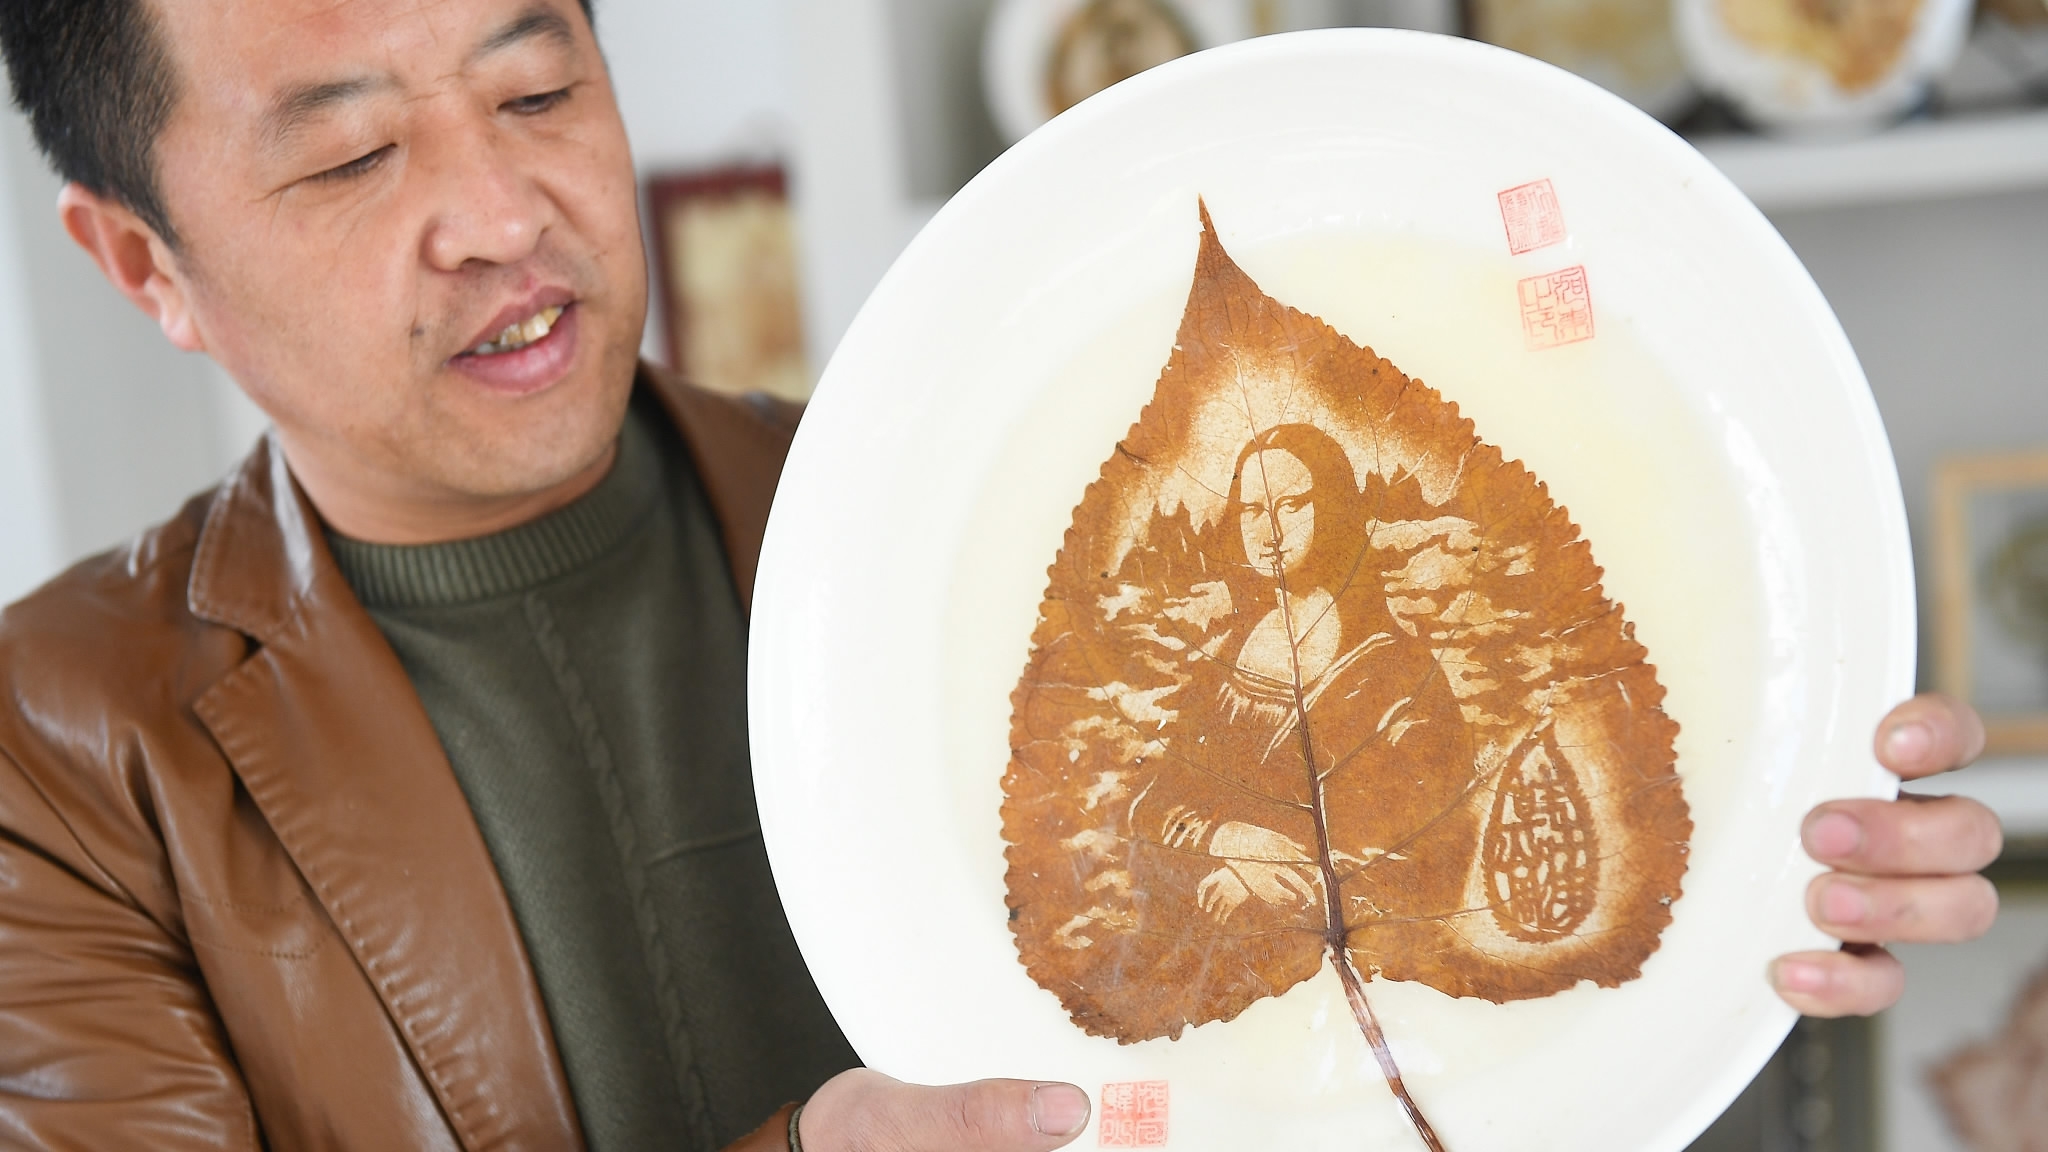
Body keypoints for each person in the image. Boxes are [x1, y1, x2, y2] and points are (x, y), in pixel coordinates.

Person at [0, 0, 2001, 1149]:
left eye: (539, 92)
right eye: (352, 159)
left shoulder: (946, 533)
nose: (501, 212)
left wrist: (1749, 915)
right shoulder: (68, 758)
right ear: (143, 261)